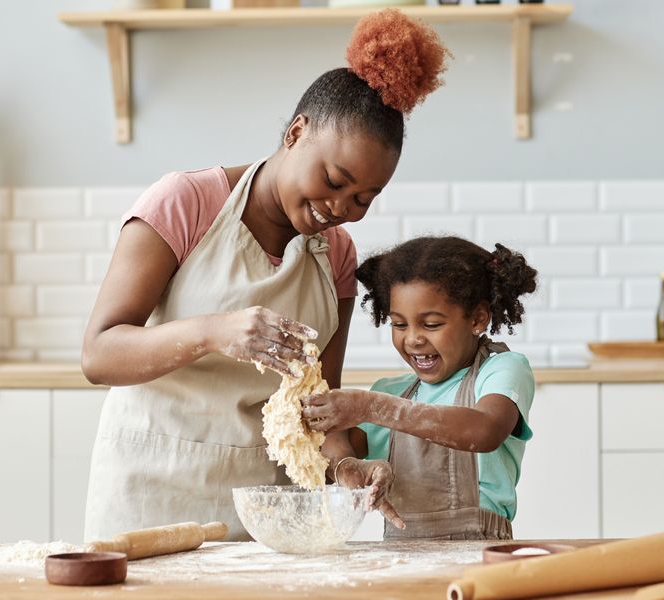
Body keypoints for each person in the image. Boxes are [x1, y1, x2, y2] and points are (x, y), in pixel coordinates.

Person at [80, 10, 450, 541]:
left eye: (363, 199)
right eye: (334, 180)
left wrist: (345, 469)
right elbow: (99, 355)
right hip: (151, 494)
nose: (340, 207)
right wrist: (214, 331)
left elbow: (321, 408)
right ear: (296, 132)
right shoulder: (185, 203)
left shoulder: (336, 256)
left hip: (270, 512)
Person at [303, 236, 538, 540]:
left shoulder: (502, 370)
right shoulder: (392, 391)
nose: (412, 339)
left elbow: (485, 430)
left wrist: (371, 407)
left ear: (478, 319)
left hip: (478, 554)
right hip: (401, 558)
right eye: (399, 325)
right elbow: (333, 442)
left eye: (431, 324)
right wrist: (347, 466)